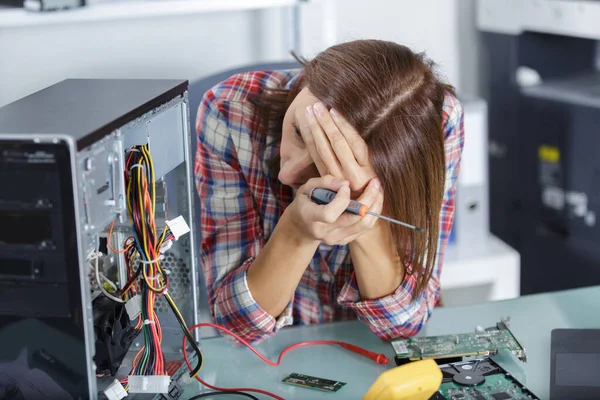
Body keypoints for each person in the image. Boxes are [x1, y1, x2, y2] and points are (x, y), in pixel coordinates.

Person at [194, 39, 464, 344]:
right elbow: (236, 328)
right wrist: (296, 230)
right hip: (271, 354)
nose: (288, 173)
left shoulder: (438, 124)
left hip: (374, 353)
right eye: (299, 131)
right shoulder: (228, 109)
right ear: (305, 79)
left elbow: (403, 327)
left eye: (325, 167)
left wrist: (365, 218)